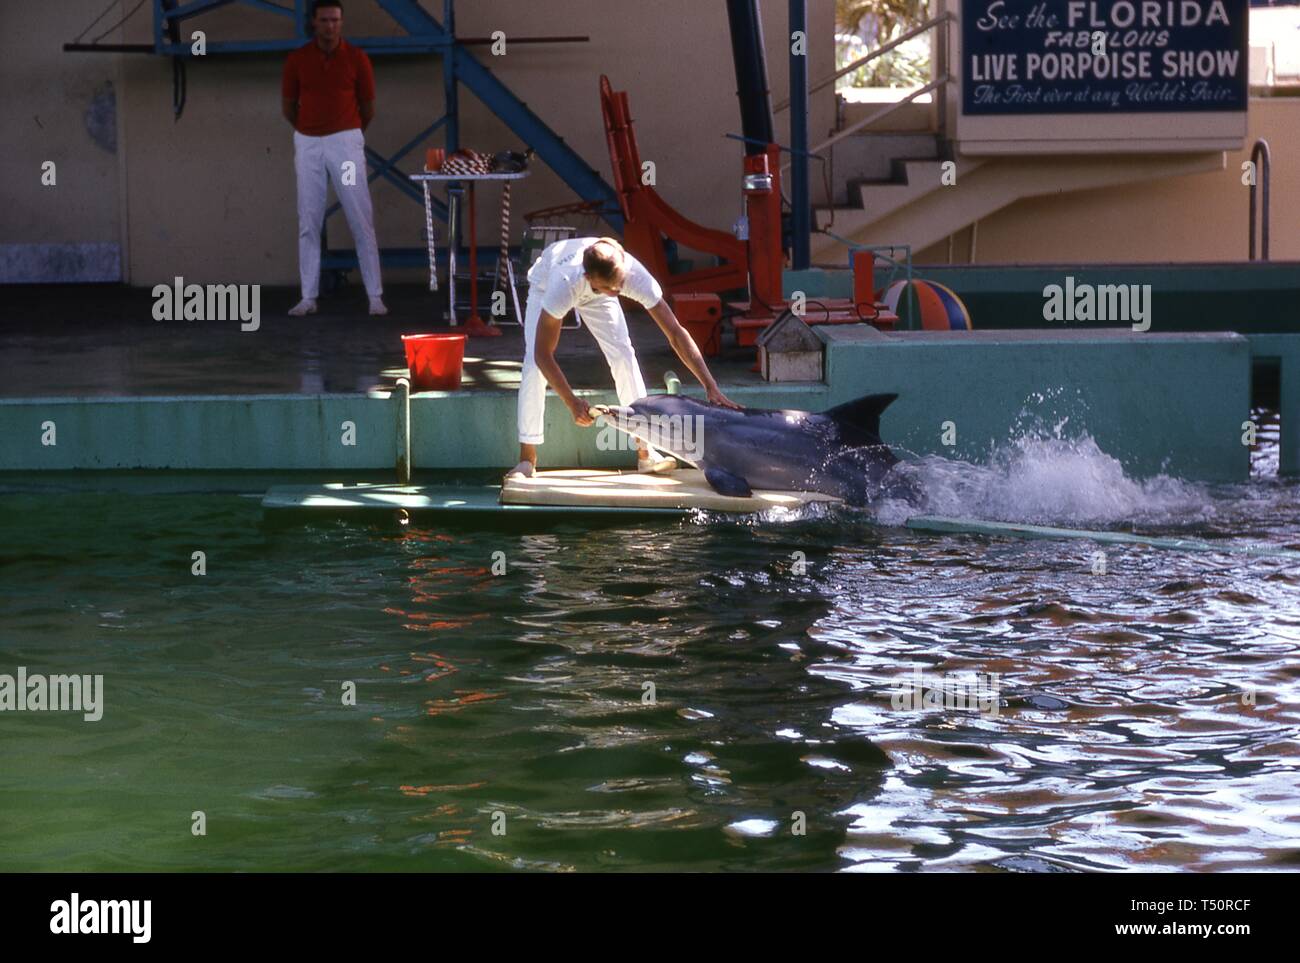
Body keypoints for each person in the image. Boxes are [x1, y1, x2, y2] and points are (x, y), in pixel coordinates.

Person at [510, 236, 740, 478]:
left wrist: (710, 385)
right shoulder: (564, 284)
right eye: (612, 288)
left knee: (623, 354)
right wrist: (572, 403)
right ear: (589, 278)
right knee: (533, 365)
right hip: (547, 283)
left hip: (596, 290)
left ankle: (645, 452)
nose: (617, 293)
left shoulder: (630, 276)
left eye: (619, 286)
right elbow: (543, 354)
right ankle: (527, 459)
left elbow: (675, 332)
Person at [281, 0, 387, 316]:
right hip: (309, 145)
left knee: (359, 215)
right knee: (308, 219)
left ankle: (375, 297)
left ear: (342, 23)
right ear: (313, 23)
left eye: (336, 20)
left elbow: (368, 107)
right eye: (325, 20)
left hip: (345, 146)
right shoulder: (297, 60)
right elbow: (288, 106)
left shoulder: (357, 58)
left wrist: (346, 132)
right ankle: (308, 297)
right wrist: (310, 129)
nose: (331, 26)